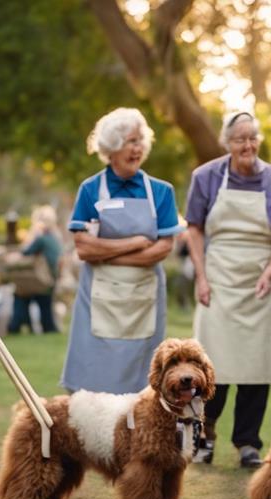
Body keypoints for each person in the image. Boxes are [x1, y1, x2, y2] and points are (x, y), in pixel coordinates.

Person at [187, 111, 271, 468]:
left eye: (253, 138)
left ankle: (248, 443)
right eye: (239, 139)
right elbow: (195, 230)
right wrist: (201, 277)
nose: (248, 145)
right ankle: (204, 435)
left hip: (261, 281)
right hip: (218, 279)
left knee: (256, 364)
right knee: (211, 363)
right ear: (227, 143)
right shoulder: (205, 177)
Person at [60, 108, 182, 394]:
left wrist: (107, 254)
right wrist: (134, 243)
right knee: (93, 375)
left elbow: (163, 248)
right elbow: (83, 247)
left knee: (142, 381)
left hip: (144, 297)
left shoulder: (161, 191)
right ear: (112, 147)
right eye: (130, 141)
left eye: (140, 141)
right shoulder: (90, 189)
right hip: (99, 295)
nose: (137, 148)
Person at [8, 205, 62, 334]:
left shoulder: (41, 238)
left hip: (41, 279)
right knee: (45, 309)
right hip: (51, 278)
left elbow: (26, 252)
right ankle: (47, 329)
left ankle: (16, 327)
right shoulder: (55, 237)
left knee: (20, 295)